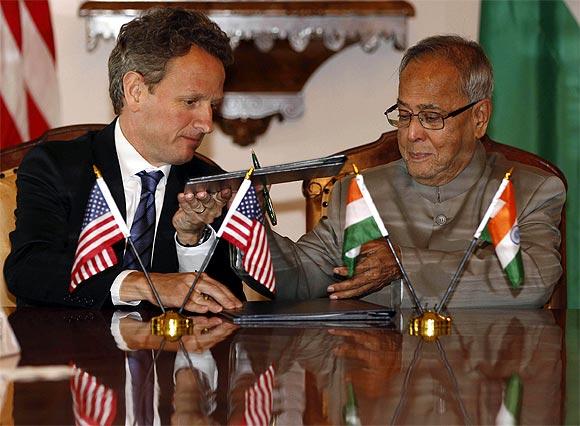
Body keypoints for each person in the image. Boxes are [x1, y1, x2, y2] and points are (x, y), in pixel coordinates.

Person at [266, 35, 566, 308]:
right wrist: (242, 222)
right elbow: (299, 277)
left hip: (487, 367)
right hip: (381, 365)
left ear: (479, 117)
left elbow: (531, 278)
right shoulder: (361, 193)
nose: (411, 134)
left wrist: (404, 263)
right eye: (405, 115)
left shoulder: (529, 191)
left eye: (431, 117)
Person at [4, 8, 243, 313]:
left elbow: (229, 305)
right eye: (191, 102)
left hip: (170, 358)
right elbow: (28, 269)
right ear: (136, 91)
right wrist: (142, 284)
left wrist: (191, 242)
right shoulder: (57, 166)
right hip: (73, 354)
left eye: (212, 105)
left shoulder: (208, 183)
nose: (207, 123)